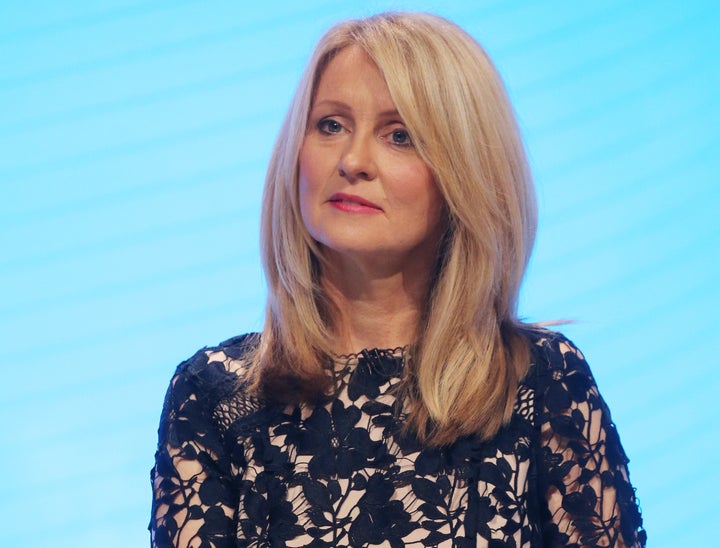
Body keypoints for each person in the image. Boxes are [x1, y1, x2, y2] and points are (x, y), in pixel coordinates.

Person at [150, 12, 645, 547]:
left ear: (465, 172)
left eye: (399, 135)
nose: (354, 160)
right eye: (331, 125)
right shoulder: (213, 398)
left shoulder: (540, 383)